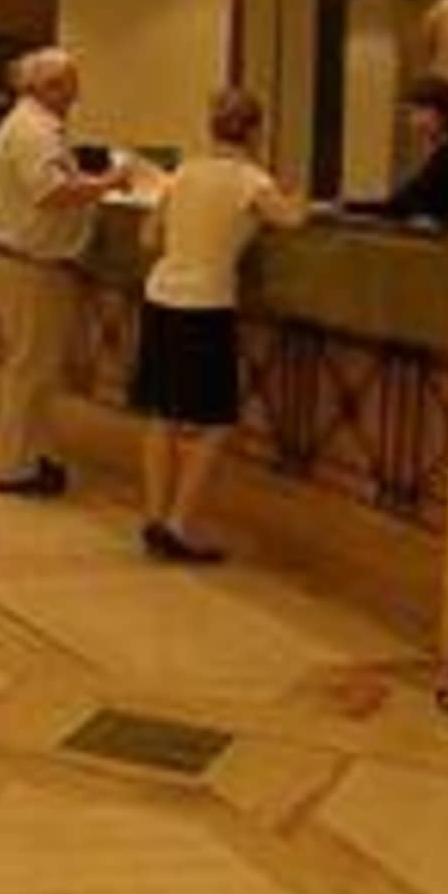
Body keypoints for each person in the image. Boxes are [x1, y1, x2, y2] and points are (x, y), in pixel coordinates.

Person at [131, 88, 308, 565]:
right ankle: (180, 524)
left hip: (161, 296)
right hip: (206, 303)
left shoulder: (184, 172)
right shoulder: (250, 180)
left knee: (161, 413)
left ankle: (153, 518)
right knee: (215, 420)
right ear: (256, 131)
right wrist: (298, 191)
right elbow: (291, 219)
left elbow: (148, 237)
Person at [0, 47, 129, 497]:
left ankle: (35, 455)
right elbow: (49, 193)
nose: (76, 95)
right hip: (30, 265)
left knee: (36, 370)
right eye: (71, 85)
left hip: (23, 262)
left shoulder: (30, 126)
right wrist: (109, 183)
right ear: (48, 87)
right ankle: (15, 467)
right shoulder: (34, 131)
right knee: (30, 371)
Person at [342, 74, 448, 230]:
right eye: (412, 113)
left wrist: (348, 208)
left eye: (421, 111)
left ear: (445, 111)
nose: (415, 121)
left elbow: (406, 204)